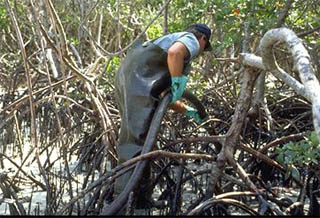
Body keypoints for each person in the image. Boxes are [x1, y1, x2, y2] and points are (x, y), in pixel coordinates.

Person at [114, 23, 212, 210]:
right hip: (137, 78)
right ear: (203, 39)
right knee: (136, 140)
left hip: (128, 77)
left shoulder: (166, 50)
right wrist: (177, 80)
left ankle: (139, 199)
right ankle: (125, 200)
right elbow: (175, 53)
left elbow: (163, 96)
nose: (200, 51)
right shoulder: (189, 40)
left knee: (139, 139)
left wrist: (187, 110)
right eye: (204, 47)